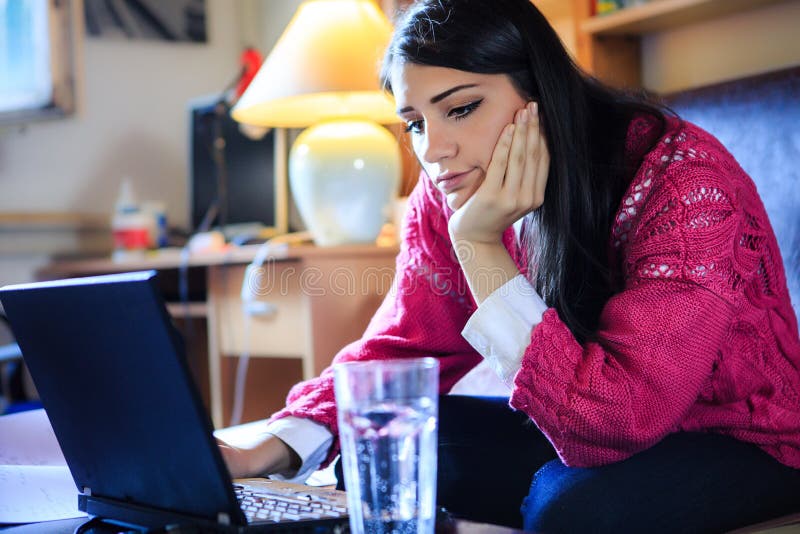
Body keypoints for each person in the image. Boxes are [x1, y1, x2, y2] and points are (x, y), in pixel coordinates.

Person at [219, 0, 800, 530]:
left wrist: (480, 246)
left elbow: (618, 417)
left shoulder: (684, 181)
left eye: (462, 108)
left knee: (572, 510)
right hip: (580, 425)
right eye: (416, 122)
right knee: (383, 453)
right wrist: (272, 445)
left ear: (539, 90)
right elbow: (403, 347)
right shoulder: (450, 184)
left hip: (744, 438)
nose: (433, 150)